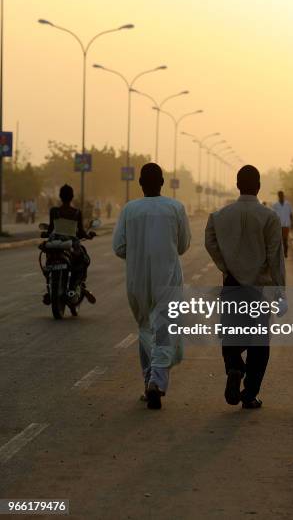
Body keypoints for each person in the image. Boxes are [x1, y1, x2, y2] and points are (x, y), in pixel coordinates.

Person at [205, 165, 286, 409]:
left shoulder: (219, 216)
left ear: (237, 185)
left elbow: (210, 242)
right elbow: (275, 257)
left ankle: (234, 367)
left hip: (231, 284)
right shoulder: (269, 217)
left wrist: (225, 265)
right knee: (259, 343)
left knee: (229, 335)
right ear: (259, 186)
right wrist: (281, 292)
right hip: (258, 289)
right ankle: (249, 394)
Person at [113, 163, 191, 410]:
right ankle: (156, 379)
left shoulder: (130, 210)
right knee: (165, 329)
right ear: (163, 183)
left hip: (137, 280)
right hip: (167, 277)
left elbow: (119, 246)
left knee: (145, 328)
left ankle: (149, 381)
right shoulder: (175, 208)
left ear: (139, 184)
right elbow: (183, 245)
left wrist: (139, 254)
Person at [43, 184, 96, 307]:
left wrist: (45, 233)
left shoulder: (54, 211)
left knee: (48, 260)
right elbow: (81, 232)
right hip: (72, 244)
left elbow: (51, 229)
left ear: (60, 196)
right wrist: (89, 235)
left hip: (55, 243)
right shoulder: (76, 212)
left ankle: (49, 287)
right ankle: (75, 286)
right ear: (72, 197)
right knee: (84, 261)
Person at [272, 190, 293, 258]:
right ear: (278, 196)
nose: (281, 196)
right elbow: (273, 216)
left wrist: (292, 223)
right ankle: (279, 254)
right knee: (278, 240)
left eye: (282, 195)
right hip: (278, 225)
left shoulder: (288, 204)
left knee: (285, 240)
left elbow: (291, 214)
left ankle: (285, 252)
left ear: (283, 196)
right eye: (280, 195)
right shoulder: (275, 205)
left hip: (286, 225)